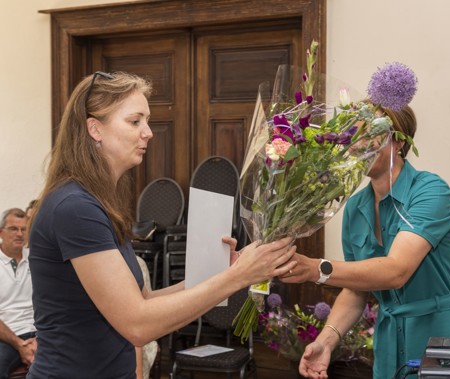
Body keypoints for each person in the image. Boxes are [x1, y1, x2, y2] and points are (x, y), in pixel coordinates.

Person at [27, 71, 297, 379]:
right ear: (95, 128)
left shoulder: (96, 202)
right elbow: (138, 324)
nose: (149, 132)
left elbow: (142, 302)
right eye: (135, 121)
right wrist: (237, 277)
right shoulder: (74, 208)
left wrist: (217, 276)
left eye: (147, 120)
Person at [280, 104, 450, 379]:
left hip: (446, 339)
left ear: (399, 141)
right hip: (389, 346)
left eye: (370, 133)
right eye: (353, 135)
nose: (358, 144)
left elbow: (396, 270)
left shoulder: (431, 191)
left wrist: (317, 268)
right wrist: (325, 342)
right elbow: (356, 290)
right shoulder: (354, 208)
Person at [0, 208, 37, 378]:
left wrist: (38, 339)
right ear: (1, 232)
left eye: (24, 229)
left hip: (40, 333)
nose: (20, 234)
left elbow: (50, 303)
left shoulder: (36, 259)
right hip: (7, 335)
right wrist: (19, 344)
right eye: (14, 229)